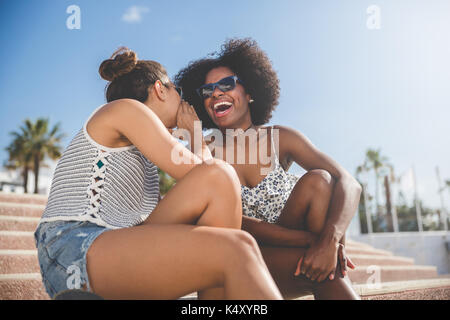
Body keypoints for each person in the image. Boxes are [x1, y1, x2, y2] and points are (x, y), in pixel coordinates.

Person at [34, 47, 283, 300]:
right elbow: (209, 175)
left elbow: (208, 197)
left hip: (115, 243)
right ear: (160, 89)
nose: (182, 100)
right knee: (226, 202)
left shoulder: (143, 156)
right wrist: (195, 134)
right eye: (178, 91)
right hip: (73, 248)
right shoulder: (127, 109)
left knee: (236, 244)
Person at [175, 38, 362, 300]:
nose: (216, 93)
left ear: (250, 92)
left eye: (227, 84)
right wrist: (312, 243)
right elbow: (233, 223)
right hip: (243, 261)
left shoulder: (280, 138)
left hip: (300, 256)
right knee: (325, 274)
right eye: (208, 90)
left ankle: (327, 262)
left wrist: (329, 241)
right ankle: (327, 266)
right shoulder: (202, 148)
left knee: (320, 180)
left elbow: (350, 183)